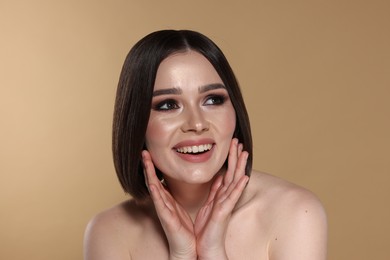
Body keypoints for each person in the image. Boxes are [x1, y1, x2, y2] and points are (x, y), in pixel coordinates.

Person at [84, 30, 327, 260]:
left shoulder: (295, 213)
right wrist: (182, 255)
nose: (197, 124)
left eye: (212, 100)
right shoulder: (109, 232)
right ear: (136, 123)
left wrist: (213, 252)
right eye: (168, 104)